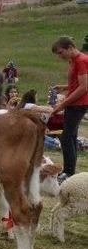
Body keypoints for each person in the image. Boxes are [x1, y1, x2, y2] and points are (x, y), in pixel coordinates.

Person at [51, 36, 88, 182]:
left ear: (70, 47)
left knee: (66, 137)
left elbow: (84, 87)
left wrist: (63, 103)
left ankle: (69, 172)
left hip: (78, 104)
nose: (60, 56)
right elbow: (78, 82)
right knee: (70, 137)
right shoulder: (73, 60)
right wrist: (64, 87)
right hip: (74, 103)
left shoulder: (81, 60)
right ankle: (70, 171)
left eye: (61, 52)